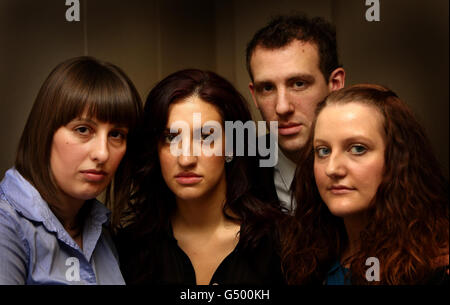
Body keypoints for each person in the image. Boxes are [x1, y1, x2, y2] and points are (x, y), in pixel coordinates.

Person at [115, 69, 286, 285]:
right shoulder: (129, 250)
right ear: (155, 149)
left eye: (206, 137)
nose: (186, 158)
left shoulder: (281, 244)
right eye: (170, 138)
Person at [280, 84, 449, 285]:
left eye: (358, 149)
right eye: (323, 151)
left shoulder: (434, 268)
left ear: (397, 159)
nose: (332, 169)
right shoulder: (308, 257)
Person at [0, 56, 143, 284]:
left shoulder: (100, 230)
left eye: (116, 134)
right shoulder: (7, 224)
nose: (102, 153)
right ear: (44, 132)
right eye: (83, 129)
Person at [246, 14, 346, 212]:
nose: (282, 107)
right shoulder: (238, 172)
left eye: (299, 84)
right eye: (267, 88)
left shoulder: (374, 165)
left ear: (335, 84)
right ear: (254, 95)